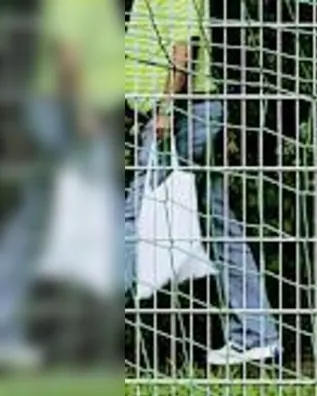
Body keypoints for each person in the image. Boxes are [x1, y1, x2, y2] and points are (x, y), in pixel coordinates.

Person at [123, 0, 280, 366]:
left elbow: (183, 48)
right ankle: (257, 335)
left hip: (182, 115)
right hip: (188, 111)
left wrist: (163, 111)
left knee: (133, 217)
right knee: (219, 225)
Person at [0, 0, 120, 369]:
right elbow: (67, 53)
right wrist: (82, 113)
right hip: (67, 115)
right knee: (108, 219)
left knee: (38, 223)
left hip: (71, 113)